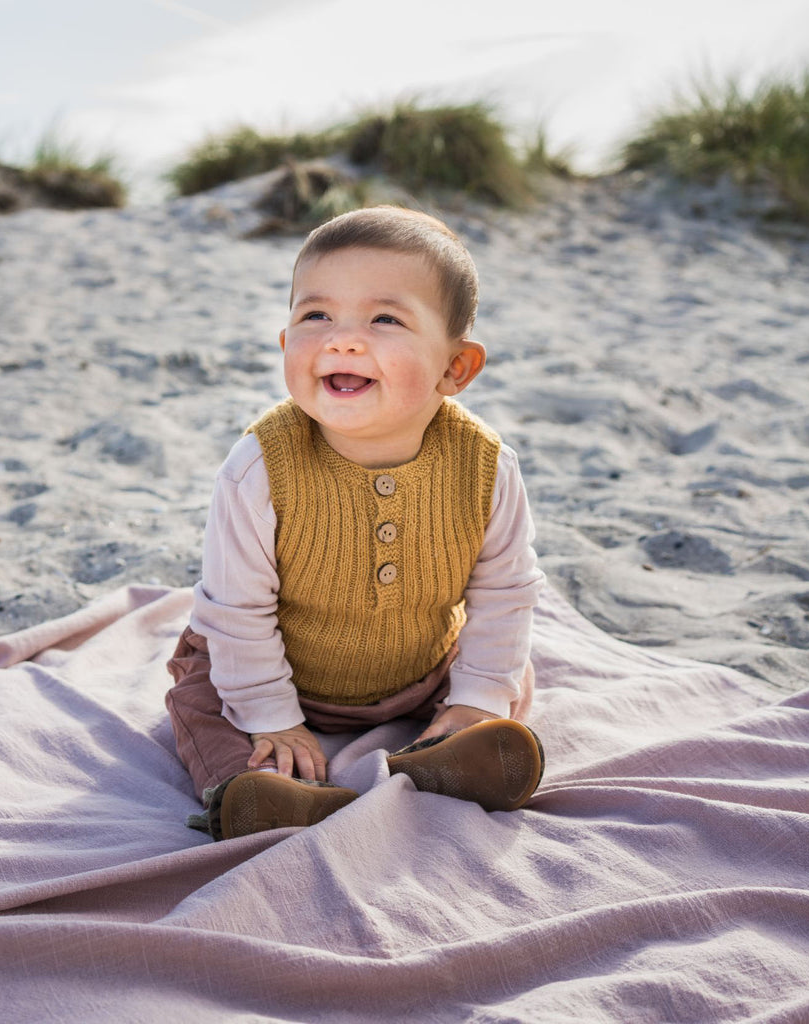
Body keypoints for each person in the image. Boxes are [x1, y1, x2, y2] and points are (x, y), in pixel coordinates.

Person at [166, 205, 545, 841]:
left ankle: (448, 756)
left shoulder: (485, 466)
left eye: (385, 319)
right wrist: (270, 714)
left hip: (419, 669)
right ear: (287, 345)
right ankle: (257, 793)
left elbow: (505, 594)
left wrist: (475, 698)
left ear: (456, 368)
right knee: (201, 701)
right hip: (267, 661)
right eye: (316, 316)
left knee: (502, 677)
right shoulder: (261, 465)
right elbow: (236, 609)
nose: (342, 339)